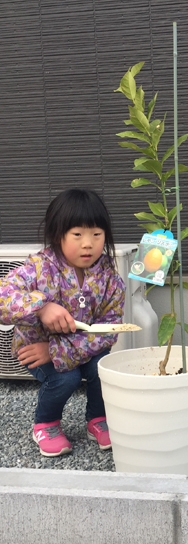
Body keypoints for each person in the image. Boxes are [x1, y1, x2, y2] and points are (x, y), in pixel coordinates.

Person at [0, 189, 125, 457]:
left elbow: (110, 329)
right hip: (35, 348)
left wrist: (56, 350)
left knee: (101, 368)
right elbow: (3, 298)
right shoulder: (38, 267)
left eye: (96, 234)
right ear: (59, 235)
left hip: (81, 348)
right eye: (77, 235)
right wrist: (41, 306)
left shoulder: (109, 278)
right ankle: (46, 423)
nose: (88, 244)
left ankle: (97, 419)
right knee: (65, 378)